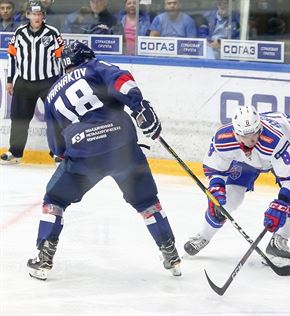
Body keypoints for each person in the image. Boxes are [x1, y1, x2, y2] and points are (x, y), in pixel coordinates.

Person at [26, 41, 181, 280]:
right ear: (86, 57)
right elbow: (121, 80)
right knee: (147, 201)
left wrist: (64, 156)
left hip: (83, 153)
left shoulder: (53, 94)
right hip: (122, 146)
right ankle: (170, 252)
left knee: (55, 199)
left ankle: (44, 258)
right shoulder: (94, 67)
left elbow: (56, 143)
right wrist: (141, 107)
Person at [184, 106, 290, 265]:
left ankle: (279, 240)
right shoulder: (223, 138)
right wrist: (216, 189)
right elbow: (214, 168)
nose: (252, 139)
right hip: (249, 159)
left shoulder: (275, 139)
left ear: (260, 128)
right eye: (246, 135)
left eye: (255, 133)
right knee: (229, 199)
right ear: (236, 133)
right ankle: (203, 236)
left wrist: (282, 203)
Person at [1, 0, 64, 164]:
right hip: (24, 82)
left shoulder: (52, 33)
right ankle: (15, 153)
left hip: (48, 82)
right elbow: (12, 56)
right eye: (33, 14)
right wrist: (10, 81)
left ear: (44, 16)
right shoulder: (19, 33)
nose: (37, 17)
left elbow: (61, 58)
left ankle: (58, 152)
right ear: (28, 15)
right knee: (19, 118)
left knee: (55, 118)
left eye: (39, 14)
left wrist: (62, 81)